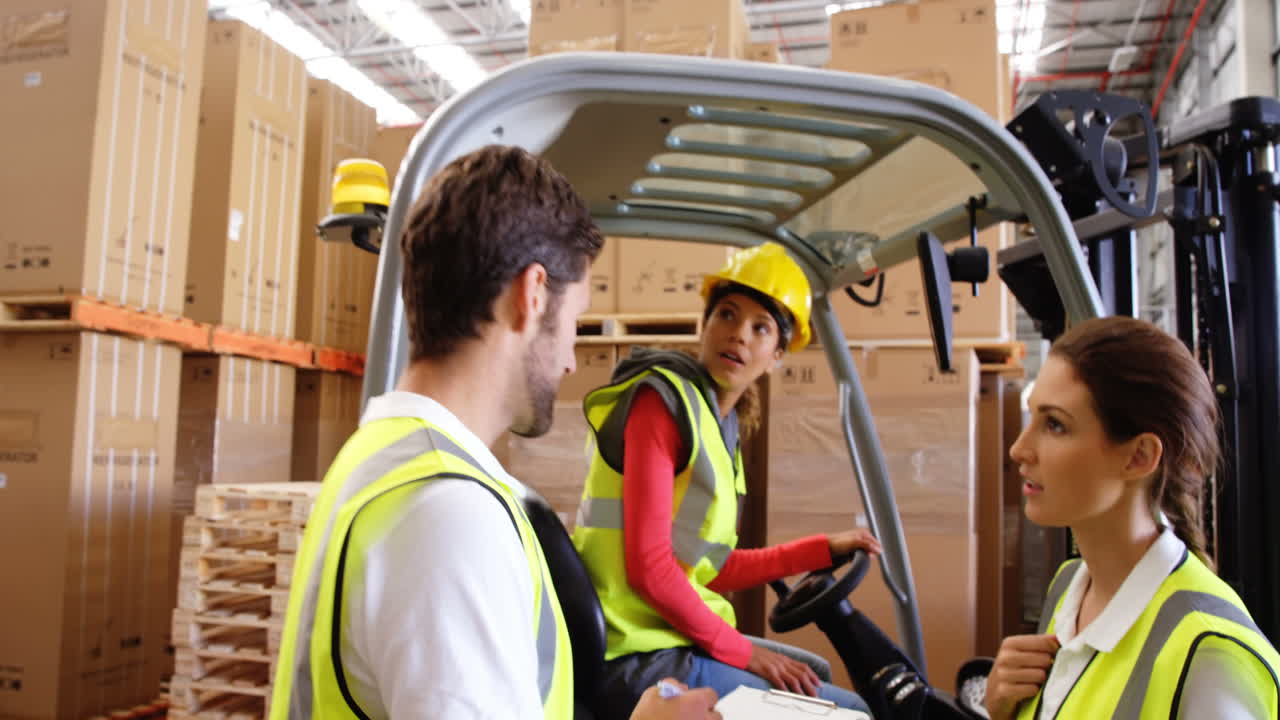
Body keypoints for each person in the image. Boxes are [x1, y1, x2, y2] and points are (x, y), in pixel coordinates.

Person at [269, 145, 721, 720]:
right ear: (532, 297)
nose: (569, 358)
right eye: (575, 322)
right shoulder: (447, 516)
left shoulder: (384, 456)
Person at [571, 242, 881, 716]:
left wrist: (822, 549)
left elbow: (713, 566)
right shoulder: (663, 402)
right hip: (634, 652)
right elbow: (649, 568)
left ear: (777, 355)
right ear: (706, 324)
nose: (738, 334)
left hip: (667, 635)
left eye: (760, 328)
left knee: (814, 674)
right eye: (728, 315)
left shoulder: (717, 427)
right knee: (854, 713)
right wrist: (743, 651)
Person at [986, 316, 1279, 720]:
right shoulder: (1069, 587)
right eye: (1032, 416)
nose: (1020, 449)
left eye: (1054, 425)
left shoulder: (1211, 657)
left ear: (1139, 456)